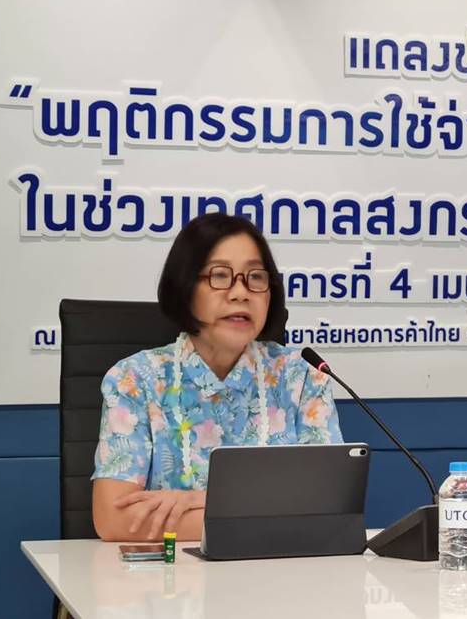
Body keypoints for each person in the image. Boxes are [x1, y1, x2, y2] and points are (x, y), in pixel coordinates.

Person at [92, 213, 343, 541]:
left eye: (255, 277)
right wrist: (270, 517)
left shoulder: (302, 377)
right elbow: (114, 519)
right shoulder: (135, 379)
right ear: (185, 287)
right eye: (220, 275)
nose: (240, 293)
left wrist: (198, 501)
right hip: (171, 572)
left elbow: (328, 506)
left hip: (281, 569)